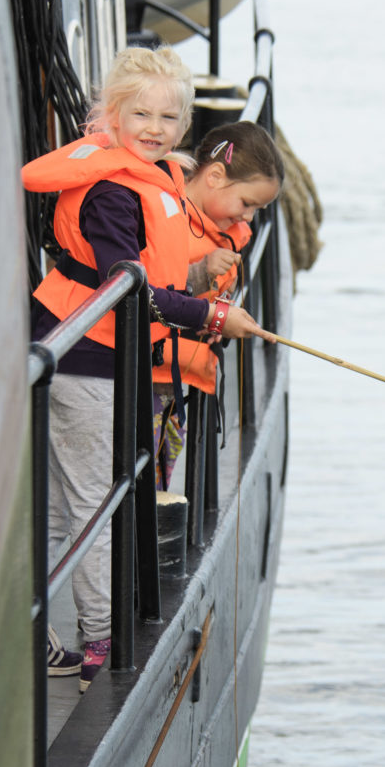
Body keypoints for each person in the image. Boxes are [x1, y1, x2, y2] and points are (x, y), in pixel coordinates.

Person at [23, 46, 275, 692]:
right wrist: (213, 317)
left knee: (60, 507)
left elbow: (152, 273)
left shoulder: (154, 176)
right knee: (93, 507)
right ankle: (102, 645)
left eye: (169, 116)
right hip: (83, 356)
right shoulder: (112, 192)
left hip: (89, 350)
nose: (156, 128)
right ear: (112, 113)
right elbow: (125, 284)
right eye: (140, 114)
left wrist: (193, 277)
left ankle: (22, 625)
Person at [151, 121, 285, 488]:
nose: (248, 218)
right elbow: (147, 292)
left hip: (176, 388)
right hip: (144, 381)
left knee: (161, 479)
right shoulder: (160, 214)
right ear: (214, 176)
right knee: (131, 486)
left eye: (257, 209)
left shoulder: (224, 234)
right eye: (246, 203)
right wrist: (200, 273)